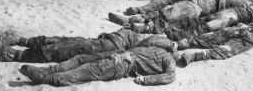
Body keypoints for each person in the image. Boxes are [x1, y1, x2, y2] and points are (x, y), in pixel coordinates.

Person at [18, 46, 177, 86]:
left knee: (82, 62)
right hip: (122, 62)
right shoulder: (169, 59)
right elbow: (170, 76)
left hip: (119, 55)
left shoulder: (157, 48)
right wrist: (145, 80)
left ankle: (45, 74)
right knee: (83, 69)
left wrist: (145, 79)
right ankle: (44, 76)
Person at [0, 28, 177, 63]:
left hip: (106, 47)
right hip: (102, 41)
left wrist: (173, 47)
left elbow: (146, 44)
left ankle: (15, 55)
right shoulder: (152, 34)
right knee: (61, 41)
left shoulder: (162, 44)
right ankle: (20, 41)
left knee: (61, 51)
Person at [179, 20, 253, 66]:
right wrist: (242, 25)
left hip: (249, 39)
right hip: (239, 30)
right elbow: (249, 22)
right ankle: (183, 44)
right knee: (213, 36)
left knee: (227, 50)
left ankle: (193, 56)